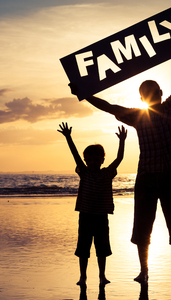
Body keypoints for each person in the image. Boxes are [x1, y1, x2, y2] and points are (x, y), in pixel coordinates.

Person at [69, 33, 171, 284]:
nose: (151, 95)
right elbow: (109, 107)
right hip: (147, 178)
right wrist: (84, 93)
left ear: (160, 92)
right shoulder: (137, 116)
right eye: (146, 93)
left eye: (154, 91)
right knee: (143, 227)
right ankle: (144, 271)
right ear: (142, 98)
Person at [57, 122, 127, 287]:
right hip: (86, 216)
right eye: (89, 159)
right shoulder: (84, 172)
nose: (93, 162)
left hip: (101, 217)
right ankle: (83, 277)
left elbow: (119, 158)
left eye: (96, 159)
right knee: (83, 248)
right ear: (85, 161)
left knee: (101, 248)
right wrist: (68, 137)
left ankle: (102, 276)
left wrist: (122, 141)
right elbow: (75, 155)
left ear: (102, 159)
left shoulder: (107, 173)